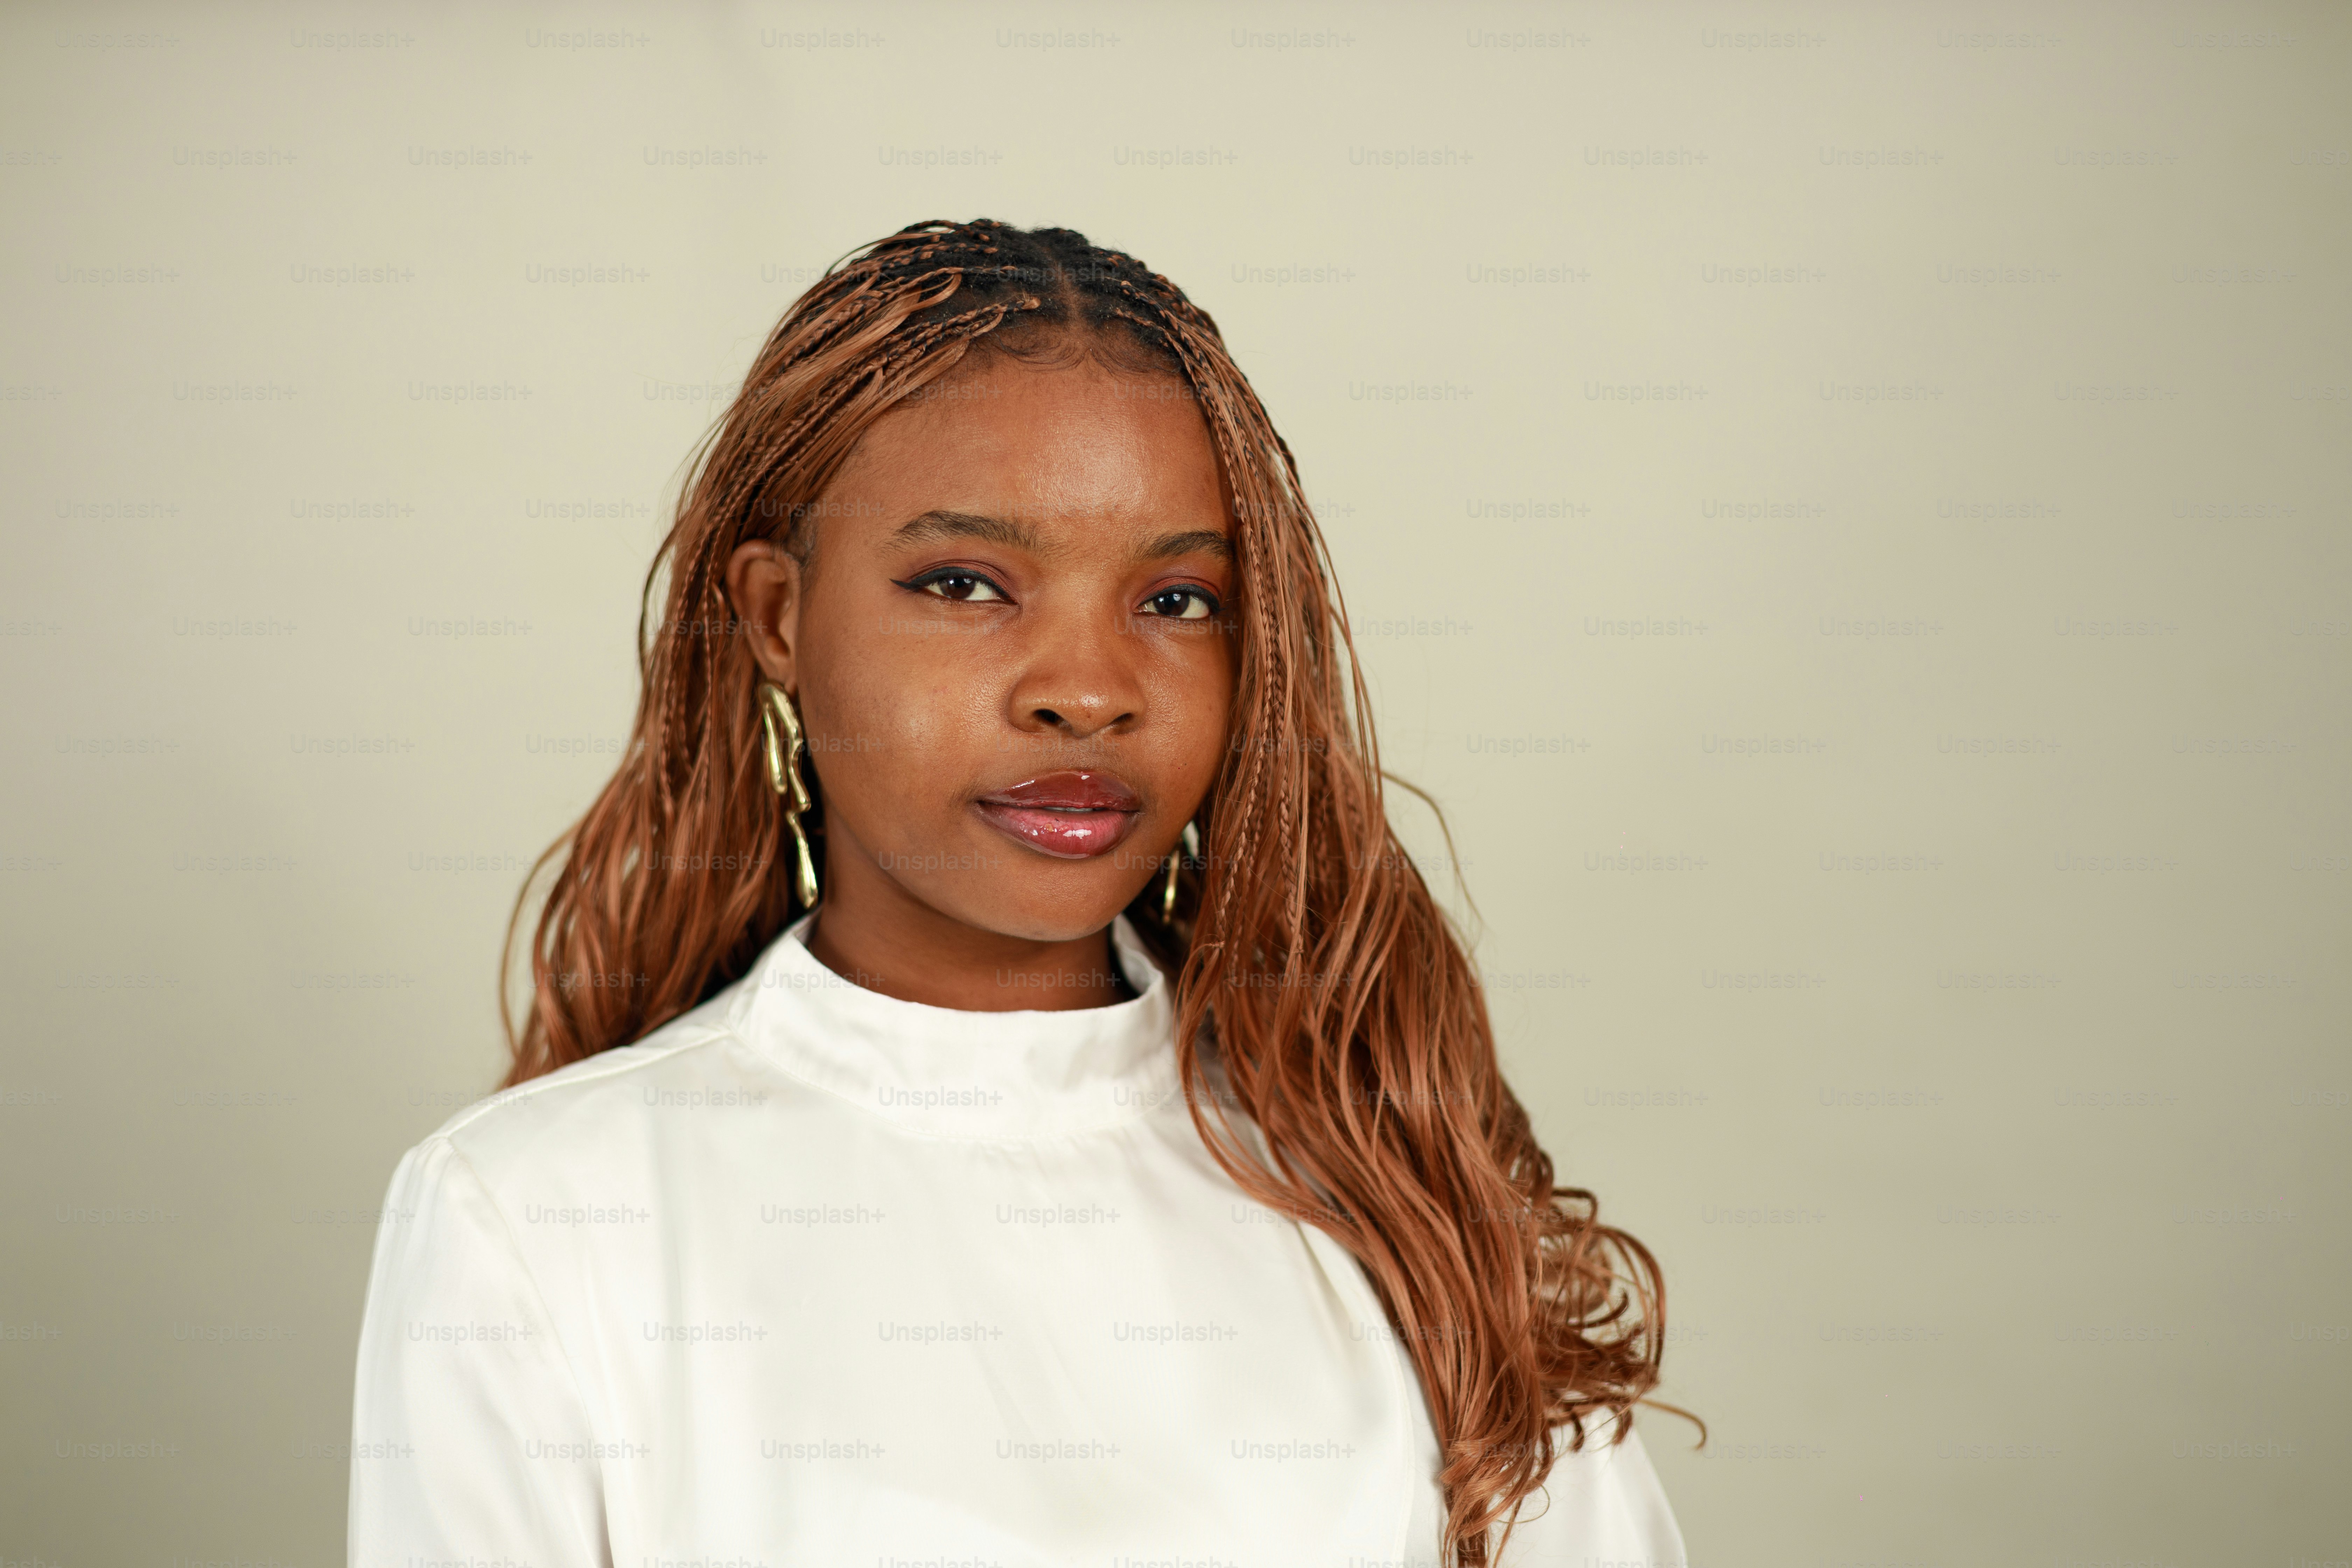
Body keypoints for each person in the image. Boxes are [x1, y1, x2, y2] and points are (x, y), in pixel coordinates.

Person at [349, 218, 1690, 1566]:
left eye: (1177, 600)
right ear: (777, 618)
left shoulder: (1412, 1207)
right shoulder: (535, 1217)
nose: (1090, 688)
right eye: (964, 583)